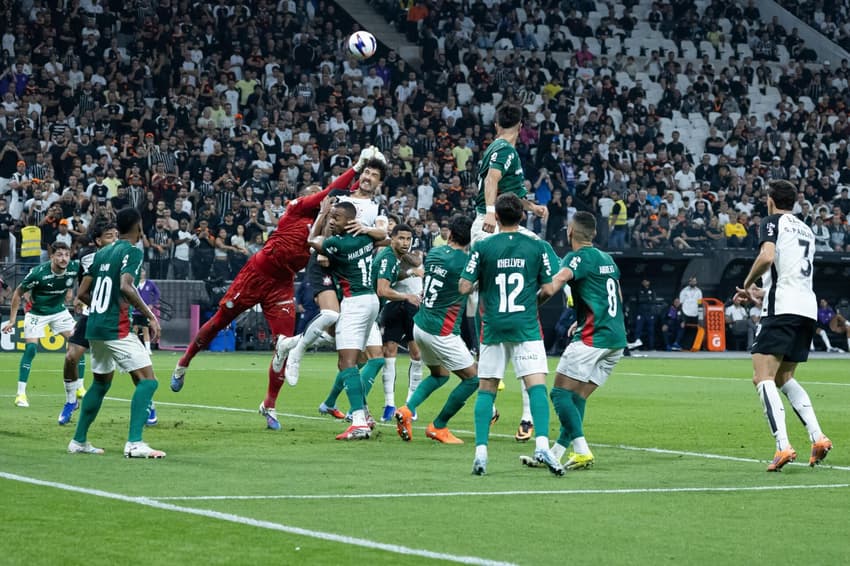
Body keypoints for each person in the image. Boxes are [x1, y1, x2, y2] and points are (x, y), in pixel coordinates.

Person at [170, 155, 375, 432]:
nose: (323, 198)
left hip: (282, 284)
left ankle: (270, 404)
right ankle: (183, 363)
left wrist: (364, 184)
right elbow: (331, 191)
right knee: (220, 320)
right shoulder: (296, 209)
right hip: (256, 274)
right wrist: (357, 168)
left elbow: (346, 200)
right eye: (316, 194)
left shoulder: (326, 226)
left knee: (282, 345)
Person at [458, 193, 564, 476]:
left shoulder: (482, 246)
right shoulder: (537, 246)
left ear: (497, 217)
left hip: (492, 324)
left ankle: (481, 452)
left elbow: (463, 287)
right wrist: (532, 303)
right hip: (525, 324)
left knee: (487, 388)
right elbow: (550, 289)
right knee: (536, 385)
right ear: (522, 216)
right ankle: (542, 445)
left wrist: (483, 281)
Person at [735, 179, 832, 471]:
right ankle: (818, 437)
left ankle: (783, 446)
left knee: (761, 376)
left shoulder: (771, 222)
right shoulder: (806, 229)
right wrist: (761, 292)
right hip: (806, 309)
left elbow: (767, 257)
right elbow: (789, 273)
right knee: (784, 377)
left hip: (782, 308)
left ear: (770, 200)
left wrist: (747, 284)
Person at [469, 103, 549, 441]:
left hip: (498, 221)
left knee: (490, 300)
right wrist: (490, 212)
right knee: (503, 304)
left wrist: (531, 206)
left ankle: (485, 357)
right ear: (521, 126)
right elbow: (493, 180)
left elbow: (507, 195)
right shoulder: (504, 149)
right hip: (492, 225)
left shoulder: (496, 148)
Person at [524, 211, 626, 470]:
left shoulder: (576, 257)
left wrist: (528, 307)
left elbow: (555, 283)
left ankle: (582, 450)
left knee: (559, 394)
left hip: (593, 338)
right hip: (615, 339)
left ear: (570, 231)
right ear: (594, 233)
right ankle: (555, 454)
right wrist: (583, 318)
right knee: (577, 398)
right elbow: (617, 296)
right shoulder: (607, 259)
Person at [283, 148, 389, 387]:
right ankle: (296, 353)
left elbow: (383, 232)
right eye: (366, 172)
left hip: (352, 273)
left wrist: (366, 229)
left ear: (379, 183)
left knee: (356, 351)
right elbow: (325, 221)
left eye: (374, 175)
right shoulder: (340, 195)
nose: (368, 177)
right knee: (331, 314)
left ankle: (290, 344)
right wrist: (323, 252)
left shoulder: (377, 208)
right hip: (325, 261)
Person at [68, 207, 165, 458]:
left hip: (94, 325)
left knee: (101, 383)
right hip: (115, 327)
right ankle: (134, 443)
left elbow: (82, 293)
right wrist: (150, 315)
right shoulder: (133, 251)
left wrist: (104, 306)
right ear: (138, 227)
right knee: (148, 381)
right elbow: (126, 286)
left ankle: (79, 441)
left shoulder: (102, 252)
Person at [394, 214, 488, 444]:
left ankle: (407, 410)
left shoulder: (435, 253)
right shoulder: (465, 263)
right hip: (441, 331)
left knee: (440, 375)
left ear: (451, 234)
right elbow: (470, 285)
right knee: (473, 379)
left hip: (421, 325)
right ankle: (439, 426)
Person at [307, 200, 382, 440]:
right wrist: (367, 228)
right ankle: (364, 414)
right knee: (358, 359)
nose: (332, 221)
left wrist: (321, 214)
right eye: (331, 217)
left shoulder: (336, 244)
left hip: (354, 303)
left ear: (349, 221)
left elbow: (312, 241)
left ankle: (358, 421)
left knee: (347, 362)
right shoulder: (365, 237)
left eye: (336, 218)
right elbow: (385, 236)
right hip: (371, 301)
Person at [2, 242, 80, 409]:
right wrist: (12, 320)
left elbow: (87, 278)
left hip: (59, 312)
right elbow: (18, 293)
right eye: (59, 255)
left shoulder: (74, 268)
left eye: (66, 255)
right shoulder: (38, 273)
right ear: (51, 257)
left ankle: (79, 387)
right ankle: (21, 394)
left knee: (78, 343)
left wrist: (78, 296)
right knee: (31, 349)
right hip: (37, 313)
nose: (64, 258)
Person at [59, 221, 117, 426]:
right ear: (98, 241)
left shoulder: (125, 256)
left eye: (116, 235)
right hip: (92, 314)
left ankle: (148, 405)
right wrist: (80, 298)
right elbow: (83, 283)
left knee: (132, 365)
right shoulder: (87, 257)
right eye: (109, 236)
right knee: (71, 357)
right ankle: (70, 401)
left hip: (115, 317)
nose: (114, 240)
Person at [371, 224, 424, 422]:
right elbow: (385, 287)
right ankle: (389, 404)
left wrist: (408, 268)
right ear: (391, 237)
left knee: (416, 353)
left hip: (412, 305)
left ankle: (411, 404)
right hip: (393, 303)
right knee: (388, 352)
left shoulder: (402, 255)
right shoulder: (387, 256)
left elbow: (415, 262)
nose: (405, 242)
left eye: (408, 239)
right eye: (401, 238)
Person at [132, 268, 160, 355]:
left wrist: (152, 304)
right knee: (134, 329)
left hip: (145, 310)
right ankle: (135, 348)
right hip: (135, 310)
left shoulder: (150, 283)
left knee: (145, 329)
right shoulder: (134, 282)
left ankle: (147, 349)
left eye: (142, 271)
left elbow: (157, 293)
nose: (141, 273)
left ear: (145, 273)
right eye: (139, 271)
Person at [631, 278, 657, 350]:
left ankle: (651, 347)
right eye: (644, 281)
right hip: (641, 313)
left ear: (649, 282)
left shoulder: (652, 290)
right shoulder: (639, 290)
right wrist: (648, 298)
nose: (645, 283)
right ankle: (636, 347)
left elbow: (653, 300)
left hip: (649, 313)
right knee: (638, 330)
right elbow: (639, 299)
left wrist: (646, 299)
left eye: (646, 281)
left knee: (651, 331)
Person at [678, 275, 702, 349]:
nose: (693, 282)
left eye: (694, 281)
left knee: (693, 330)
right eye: (691, 281)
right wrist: (681, 316)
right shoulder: (684, 291)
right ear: (689, 282)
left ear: (696, 282)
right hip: (686, 312)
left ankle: (691, 346)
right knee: (684, 329)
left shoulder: (699, 291)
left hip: (695, 313)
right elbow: (681, 303)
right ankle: (681, 345)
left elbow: (700, 304)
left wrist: (700, 317)